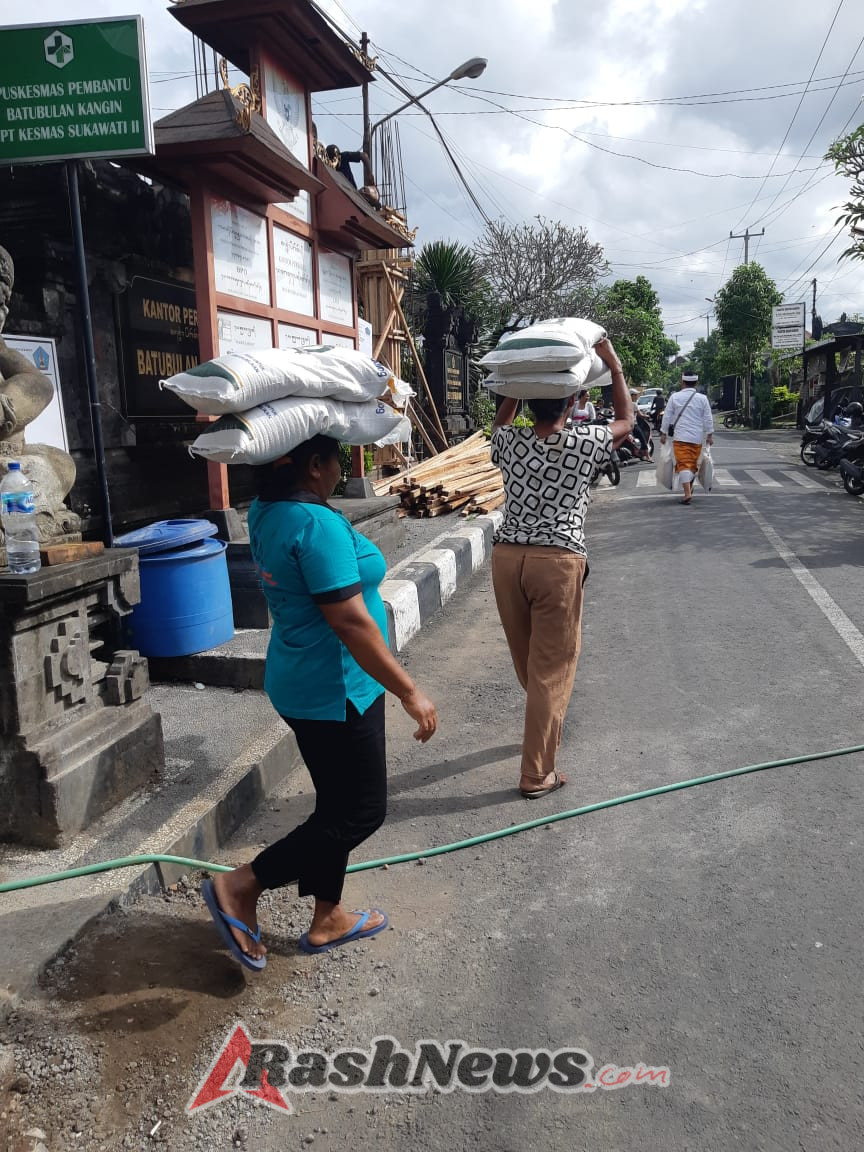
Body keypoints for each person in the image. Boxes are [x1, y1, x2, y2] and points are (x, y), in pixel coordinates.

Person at [202, 435, 437, 971]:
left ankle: (327, 916)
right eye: (336, 461)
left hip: (301, 679)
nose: (340, 471)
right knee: (360, 812)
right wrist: (409, 690)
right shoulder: (317, 525)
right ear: (314, 465)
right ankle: (241, 886)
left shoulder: (267, 510)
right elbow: (351, 622)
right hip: (339, 690)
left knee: (335, 805)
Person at [490, 339, 633, 799]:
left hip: (508, 559)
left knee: (529, 660)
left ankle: (542, 725)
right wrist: (612, 364)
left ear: (529, 401)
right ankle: (536, 774)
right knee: (551, 667)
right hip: (557, 561)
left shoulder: (508, 440)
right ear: (572, 400)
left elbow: (501, 421)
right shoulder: (585, 440)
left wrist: (515, 382)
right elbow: (627, 422)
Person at [660, 371, 714, 505]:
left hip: (680, 437)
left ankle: (687, 494)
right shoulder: (702, 398)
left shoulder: (674, 397)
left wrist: (663, 432)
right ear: (696, 383)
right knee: (691, 464)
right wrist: (709, 435)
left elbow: (667, 416)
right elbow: (708, 418)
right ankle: (688, 488)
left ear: (682, 382)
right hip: (697, 438)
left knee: (683, 464)